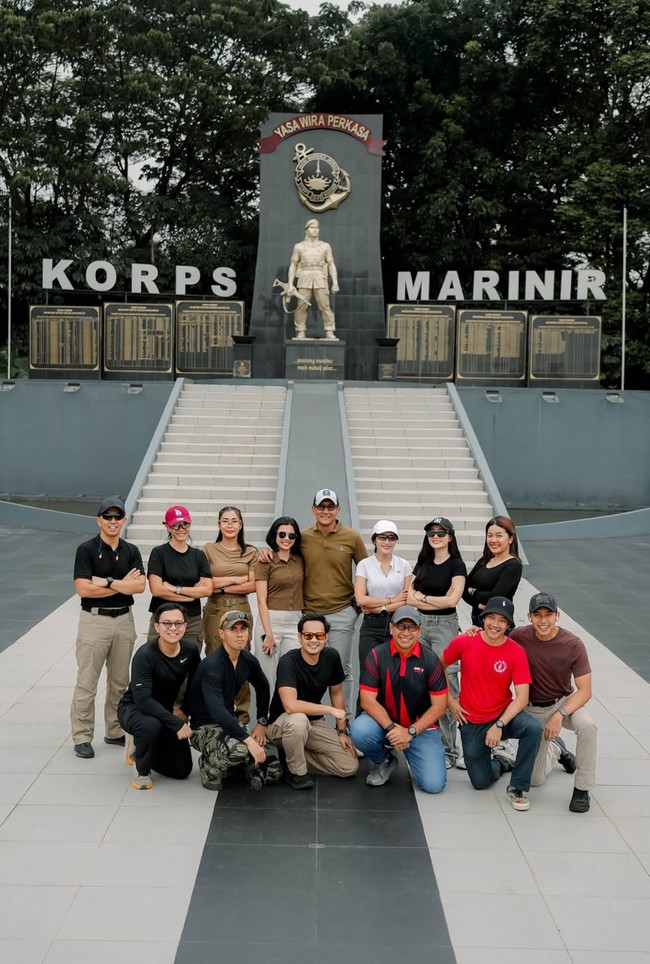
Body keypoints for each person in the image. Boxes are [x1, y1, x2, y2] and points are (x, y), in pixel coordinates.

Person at [258, 488, 366, 708]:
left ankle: (343, 722)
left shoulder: (352, 537)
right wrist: (264, 551)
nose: (325, 511)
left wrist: (358, 604)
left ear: (338, 509)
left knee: (342, 669)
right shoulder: (303, 537)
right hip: (309, 614)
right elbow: (283, 551)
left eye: (330, 507)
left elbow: (365, 569)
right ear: (313, 509)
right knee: (303, 669)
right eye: (321, 506)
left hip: (342, 611)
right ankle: (305, 718)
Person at [441, 596, 543, 811]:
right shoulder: (465, 641)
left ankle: (517, 787)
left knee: (533, 728)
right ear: (483, 619)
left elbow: (522, 697)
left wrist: (499, 725)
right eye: (491, 618)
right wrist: (450, 701)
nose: (495, 624)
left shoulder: (516, 651)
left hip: (502, 715)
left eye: (502, 621)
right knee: (480, 783)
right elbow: (436, 667)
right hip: (472, 719)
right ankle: (503, 761)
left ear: (508, 625)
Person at [70, 497, 146, 759]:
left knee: (119, 681)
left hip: (124, 620)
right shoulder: (86, 549)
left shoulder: (131, 550)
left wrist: (105, 581)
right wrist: (120, 583)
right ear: (99, 520)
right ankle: (82, 736)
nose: (113, 521)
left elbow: (138, 586)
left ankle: (114, 730)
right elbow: (82, 589)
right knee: (87, 681)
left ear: (124, 520)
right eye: (108, 516)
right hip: (94, 621)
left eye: (118, 517)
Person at [510, 592, 597, 813]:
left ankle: (582, 789)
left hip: (563, 703)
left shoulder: (573, 644)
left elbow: (585, 691)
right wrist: (472, 633)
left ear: (557, 615)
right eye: (537, 615)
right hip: (531, 708)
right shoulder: (519, 636)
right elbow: (492, 640)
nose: (543, 620)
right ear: (529, 616)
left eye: (548, 614)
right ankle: (557, 751)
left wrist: (559, 715)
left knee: (587, 726)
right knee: (535, 780)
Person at [350, 606, 448, 793]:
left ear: (419, 630)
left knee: (433, 785)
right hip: (384, 725)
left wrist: (410, 732)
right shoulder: (377, 655)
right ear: (391, 628)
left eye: (411, 628)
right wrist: (393, 729)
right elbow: (367, 700)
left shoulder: (430, 659)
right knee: (360, 730)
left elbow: (440, 706)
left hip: (420, 728)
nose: (406, 632)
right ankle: (384, 759)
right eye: (401, 626)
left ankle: (414, 750)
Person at [189, 611, 281, 791]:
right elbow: (217, 711)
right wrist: (249, 740)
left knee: (273, 766)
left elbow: (263, 687)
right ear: (222, 633)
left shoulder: (247, 659)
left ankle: (239, 767)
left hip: (230, 723)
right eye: (233, 629)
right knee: (241, 749)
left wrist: (262, 722)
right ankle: (209, 766)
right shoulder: (212, 666)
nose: (239, 634)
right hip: (204, 728)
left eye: (243, 629)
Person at [266, 613, 359, 790]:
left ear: (326, 637)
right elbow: (290, 705)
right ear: (300, 637)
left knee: (349, 766)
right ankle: (296, 773)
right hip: (282, 724)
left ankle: (292, 754)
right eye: (308, 635)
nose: (314, 640)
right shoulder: (288, 661)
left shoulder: (331, 656)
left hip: (313, 723)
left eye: (319, 635)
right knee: (298, 720)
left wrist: (342, 731)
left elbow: (337, 693)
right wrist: (330, 711)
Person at [118, 604, 199, 790]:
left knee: (182, 770)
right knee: (149, 726)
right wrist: (176, 723)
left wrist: (184, 710)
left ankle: (145, 747)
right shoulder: (145, 655)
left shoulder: (190, 650)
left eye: (178, 623)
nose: (173, 628)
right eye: (167, 623)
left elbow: (196, 685)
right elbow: (143, 700)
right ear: (157, 627)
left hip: (165, 710)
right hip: (135, 709)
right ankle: (141, 770)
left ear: (185, 626)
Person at [407, 516, 467, 768]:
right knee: (418, 680)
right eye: (431, 532)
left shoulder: (456, 565)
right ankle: (423, 740)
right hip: (421, 624)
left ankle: (450, 752)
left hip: (445, 626)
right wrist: (433, 599)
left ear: (450, 537)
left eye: (441, 532)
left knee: (447, 684)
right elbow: (409, 598)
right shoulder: (423, 562)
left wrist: (425, 597)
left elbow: (453, 601)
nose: (436, 536)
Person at [202, 506, 258, 723]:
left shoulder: (250, 552)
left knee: (240, 663)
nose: (230, 525)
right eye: (225, 521)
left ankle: (242, 717)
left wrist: (221, 584)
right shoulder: (207, 550)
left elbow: (253, 585)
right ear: (219, 524)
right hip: (215, 609)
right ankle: (218, 716)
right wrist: (236, 580)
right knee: (215, 664)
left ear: (241, 524)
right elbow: (206, 584)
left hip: (241, 610)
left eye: (234, 521)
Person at [354, 519, 413, 714]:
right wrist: (390, 600)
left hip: (397, 625)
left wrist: (380, 607)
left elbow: (406, 600)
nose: (387, 542)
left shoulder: (404, 565)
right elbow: (361, 599)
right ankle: (362, 726)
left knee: (396, 676)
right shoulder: (364, 565)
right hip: (371, 627)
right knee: (369, 675)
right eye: (382, 537)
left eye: (391, 538)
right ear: (374, 540)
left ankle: (392, 724)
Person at [146, 505, 212, 650]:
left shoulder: (198, 555)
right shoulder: (159, 553)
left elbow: (207, 590)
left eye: (185, 524)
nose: (181, 529)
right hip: (164, 618)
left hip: (191, 621)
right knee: (158, 665)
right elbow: (157, 590)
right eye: (175, 525)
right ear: (168, 527)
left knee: (189, 666)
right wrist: (190, 596)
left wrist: (175, 589)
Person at [254, 516, 304, 690]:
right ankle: (266, 716)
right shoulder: (264, 560)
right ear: (274, 535)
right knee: (268, 674)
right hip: (270, 620)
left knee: (292, 672)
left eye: (292, 536)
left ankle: (287, 714)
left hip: (295, 621)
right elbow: (261, 600)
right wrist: (268, 633)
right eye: (282, 534)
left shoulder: (300, 560)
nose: (286, 539)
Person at [463, 515, 523, 626]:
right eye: (489, 535)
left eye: (499, 536)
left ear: (510, 538)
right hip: (477, 621)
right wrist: (478, 605)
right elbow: (463, 587)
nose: (493, 540)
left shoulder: (513, 566)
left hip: (498, 625)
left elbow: (495, 596)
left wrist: (473, 591)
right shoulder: (485, 559)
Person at [287, 218, 339, 340]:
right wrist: (290, 284)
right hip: (304, 276)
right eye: (312, 228)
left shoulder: (325, 246)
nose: (315, 230)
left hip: (320, 277)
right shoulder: (299, 247)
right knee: (301, 306)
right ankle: (300, 331)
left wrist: (335, 282)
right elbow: (293, 265)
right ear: (306, 230)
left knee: (325, 306)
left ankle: (329, 330)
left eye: (316, 228)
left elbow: (331, 264)